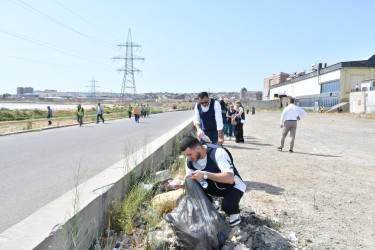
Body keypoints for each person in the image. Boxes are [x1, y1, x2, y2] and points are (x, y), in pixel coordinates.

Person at [180, 136, 246, 226]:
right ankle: (212, 204)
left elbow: (230, 178)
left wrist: (205, 174)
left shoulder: (218, 152)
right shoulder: (190, 161)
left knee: (227, 206)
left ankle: (235, 213)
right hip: (214, 186)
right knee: (191, 184)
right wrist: (179, 184)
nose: (189, 158)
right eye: (186, 155)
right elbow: (189, 180)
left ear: (198, 148)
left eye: (190, 154)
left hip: (232, 187)